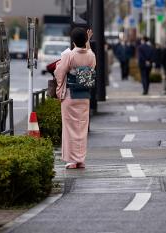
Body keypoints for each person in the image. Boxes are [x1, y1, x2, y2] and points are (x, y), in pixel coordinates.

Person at [54, 27, 96, 169]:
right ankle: (80, 159)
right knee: (82, 127)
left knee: (69, 127)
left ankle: (72, 160)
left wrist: (59, 90)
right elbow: (90, 60)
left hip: (70, 94)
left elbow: (60, 72)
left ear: (72, 41)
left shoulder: (69, 55)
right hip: (84, 95)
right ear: (85, 40)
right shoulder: (91, 55)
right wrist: (88, 41)